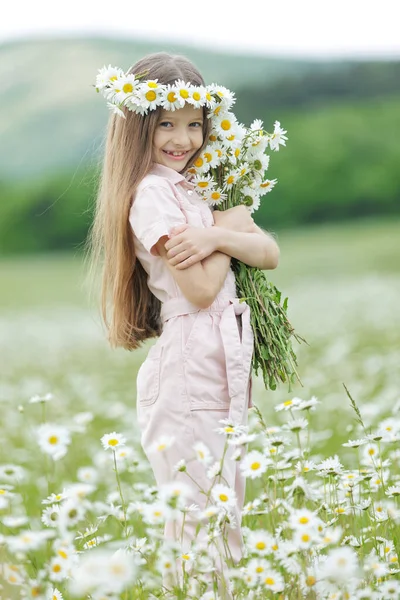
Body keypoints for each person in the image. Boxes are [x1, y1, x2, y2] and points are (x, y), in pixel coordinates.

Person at [88, 52, 280, 595]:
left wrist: (220, 234)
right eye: (165, 124)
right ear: (136, 126)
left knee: (223, 514)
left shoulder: (195, 186)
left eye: (194, 124)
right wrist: (230, 230)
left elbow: (269, 252)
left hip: (215, 358)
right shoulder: (151, 195)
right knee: (199, 522)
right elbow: (198, 290)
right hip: (189, 365)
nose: (183, 138)